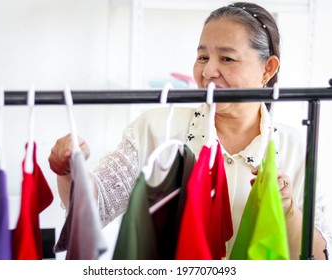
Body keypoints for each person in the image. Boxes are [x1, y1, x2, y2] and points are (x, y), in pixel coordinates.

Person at [48, 2, 331, 259]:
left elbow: (319, 259)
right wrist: (69, 170)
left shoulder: (297, 147)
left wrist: (288, 210)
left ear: (267, 69)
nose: (208, 72)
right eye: (203, 57)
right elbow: (95, 209)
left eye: (227, 59)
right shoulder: (155, 130)